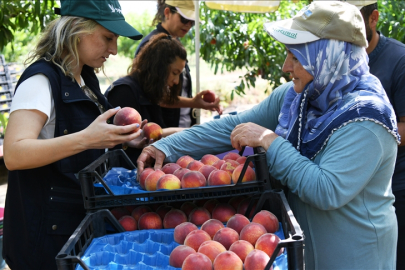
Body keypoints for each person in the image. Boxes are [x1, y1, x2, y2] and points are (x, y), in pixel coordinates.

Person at [137, 2, 400, 269]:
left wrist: (270, 141)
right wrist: (166, 146)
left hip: (355, 256)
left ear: (327, 59)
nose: (286, 66)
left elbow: (326, 190)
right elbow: (233, 125)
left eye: (296, 58)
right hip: (305, 250)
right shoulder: (297, 97)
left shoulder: (367, 118)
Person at [2, 0, 144, 269]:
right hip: (45, 243)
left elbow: (83, 143)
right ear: (77, 30)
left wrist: (118, 140)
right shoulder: (40, 81)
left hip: (75, 233)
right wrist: (88, 138)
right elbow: (14, 154)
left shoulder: (85, 80)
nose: (114, 50)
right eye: (108, 38)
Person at [106, 33, 220, 163]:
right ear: (158, 69)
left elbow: (154, 132)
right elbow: (139, 137)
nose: (177, 81)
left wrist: (193, 131)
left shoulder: (150, 89)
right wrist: (191, 132)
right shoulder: (124, 91)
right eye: (174, 73)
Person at [358, 2, 405, 269]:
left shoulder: (399, 60)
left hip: (395, 186)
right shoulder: (338, 60)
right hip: (355, 187)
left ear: (373, 19)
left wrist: (357, 138)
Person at [135, 0, 222, 128]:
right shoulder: (155, 46)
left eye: (192, 22)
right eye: (184, 19)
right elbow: (156, 94)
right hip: (163, 129)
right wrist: (193, 103)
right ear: (167, 12)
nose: (188, 25)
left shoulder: (174, 44)